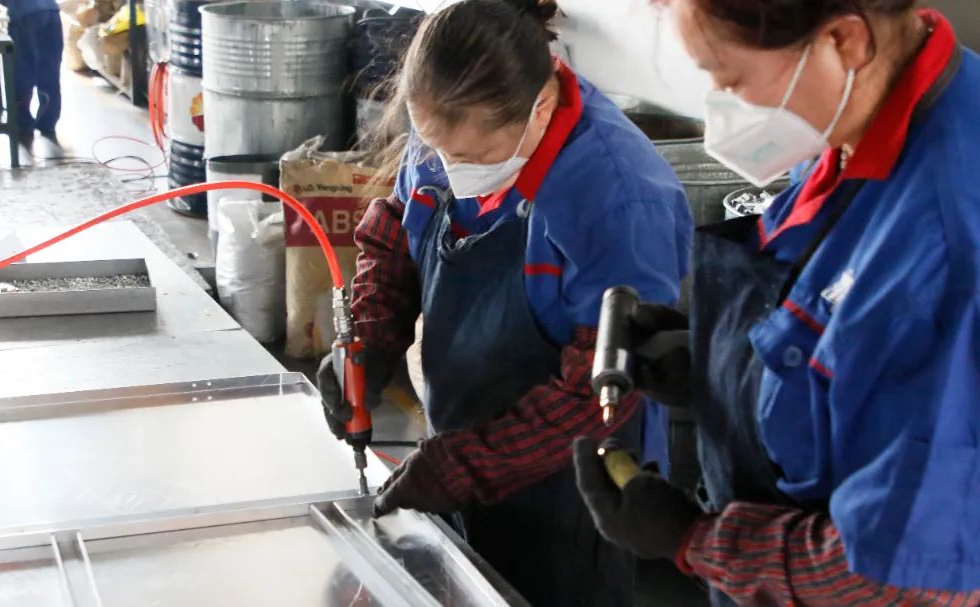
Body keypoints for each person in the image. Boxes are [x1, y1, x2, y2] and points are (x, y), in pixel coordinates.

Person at [572, 1, 980, 605]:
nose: (719, 103)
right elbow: (846, 346)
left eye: (732, 79)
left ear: (843, 40)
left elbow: (912, 578)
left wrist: (695, 540)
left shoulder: (947, 240)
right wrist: (720, 367)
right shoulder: (859, 117)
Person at [315, 0, 693, 603]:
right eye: (435, 148)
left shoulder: (618, 201)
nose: (448, 169)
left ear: (539, 109)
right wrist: (369, 333)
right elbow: (397, 231)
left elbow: (598, 395)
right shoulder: (452, 126)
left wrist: (463, 467)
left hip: (571, 498)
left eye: (468, 158)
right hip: (460, 453)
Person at [0, 0, 63, 138]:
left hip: (23, 14)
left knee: (23, 69)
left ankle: (22, 123)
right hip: (51, 12)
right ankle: (48, 122)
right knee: (50, 69)